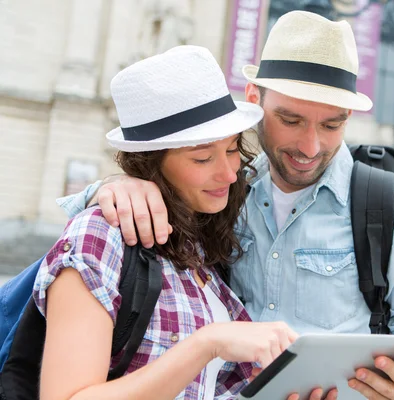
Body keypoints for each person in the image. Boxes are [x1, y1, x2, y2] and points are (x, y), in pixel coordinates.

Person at [61, 11, 394, 400]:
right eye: (290, 120)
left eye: (332, 125)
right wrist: (113, 187)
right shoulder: (224, 193)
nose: (311, 147)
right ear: (254, 98)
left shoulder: (384, 202)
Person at [33, 45, 315, 400]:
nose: (229, 173)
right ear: (151, 162)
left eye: (231, 149)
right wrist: (208, 344)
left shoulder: (200, 244)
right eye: (201, 158)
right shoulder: (99, 236)